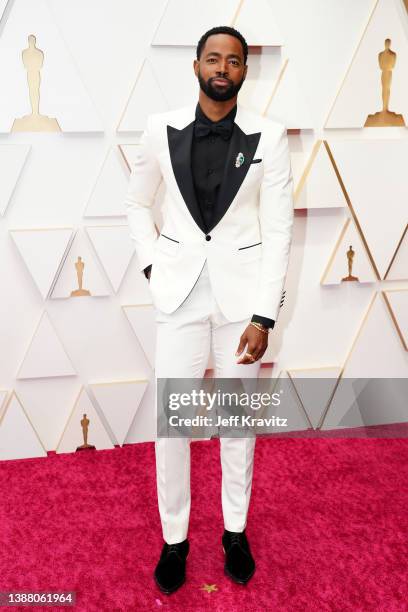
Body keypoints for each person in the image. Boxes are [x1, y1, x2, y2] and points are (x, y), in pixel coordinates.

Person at [124, 25, 294, 594]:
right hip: (177, 297)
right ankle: (175, 539)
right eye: (213, 58)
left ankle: (234, 531)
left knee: (235, 424)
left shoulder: (269, 137)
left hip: (241, 305)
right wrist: (152, 267)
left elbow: (277, 230)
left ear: (246, 70)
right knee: (173, 427)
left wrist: (265, 315)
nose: (223, 68)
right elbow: (135, 202)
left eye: (235, 61)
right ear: (196, 65)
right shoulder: (158, 129)